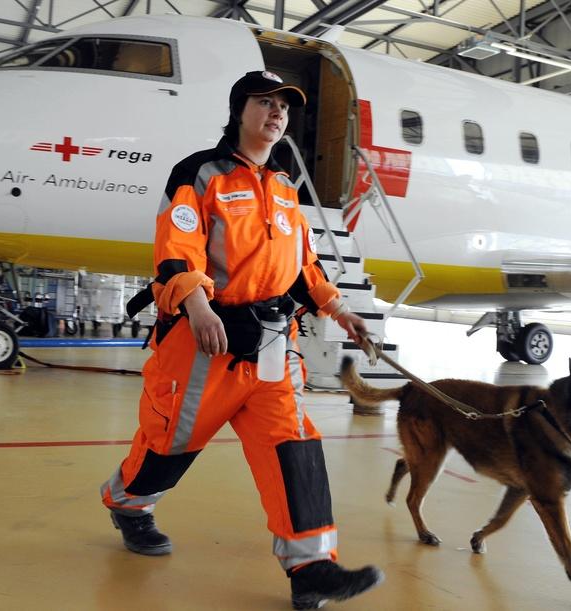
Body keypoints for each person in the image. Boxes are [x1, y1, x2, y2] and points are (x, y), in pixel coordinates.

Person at [100, 71, 384, 609]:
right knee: (169, 447)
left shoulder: (284, 188)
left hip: (274, 344)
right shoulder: (199, 173)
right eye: (264, 103)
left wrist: (341, 310)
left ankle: (311, 568)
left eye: (283, 106)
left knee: (293, 447)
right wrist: (199, 305)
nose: (276, 113)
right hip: (204, 342)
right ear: (239, 111)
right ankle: (127, 503)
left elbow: (302, 266)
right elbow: (176, 246)